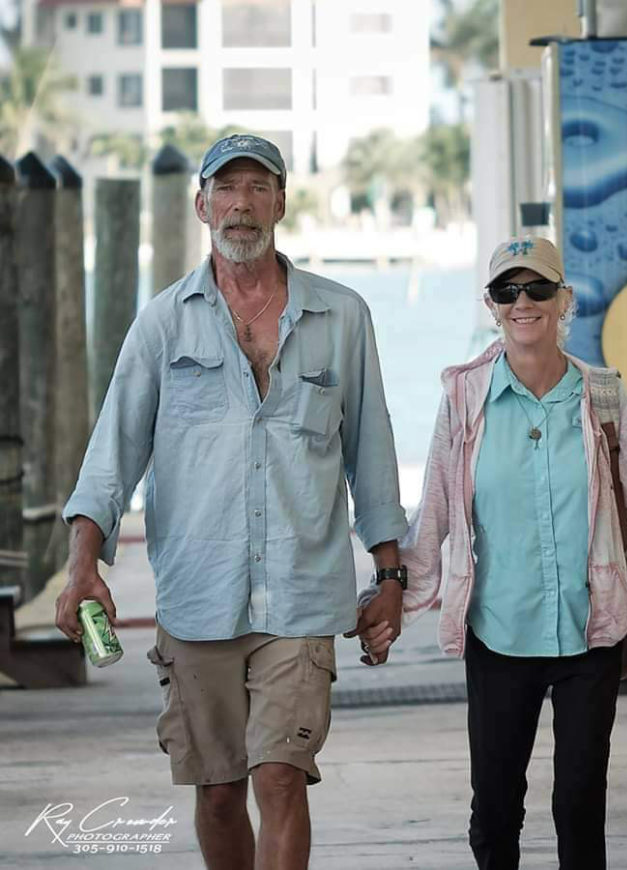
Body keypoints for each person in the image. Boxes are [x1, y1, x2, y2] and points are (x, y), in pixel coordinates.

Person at [55, 134, 408, 870]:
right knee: (218, 792)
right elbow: (112, 453)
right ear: (202, 204)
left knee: (281, 778)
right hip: (198, 596)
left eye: (257, 188)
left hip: (303, 598)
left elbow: (371, 456)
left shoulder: (343, 316)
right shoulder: (161, 323)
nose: (241, 205)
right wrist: (83, 564)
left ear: (281, 202)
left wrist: (391, 578)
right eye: (226, 189)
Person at [360, 236, 627, 869]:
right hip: (500, 635)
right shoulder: (464, 400)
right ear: (492, 304)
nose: (523, 302)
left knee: (579, 806)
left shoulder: (603, 397)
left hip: (591, 634)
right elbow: (434, 514)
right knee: (495, 813)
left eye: (538, 288)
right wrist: (397, 596)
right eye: (507, 291)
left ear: (563, 299)